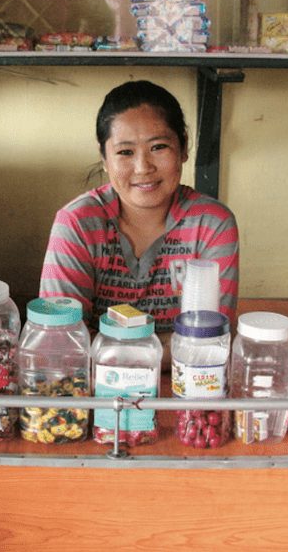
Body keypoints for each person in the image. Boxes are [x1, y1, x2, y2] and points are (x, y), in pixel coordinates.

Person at [39, 80, 239, 355]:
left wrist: (109, 347)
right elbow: (62, 339)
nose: (143, 167)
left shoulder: (212, 224)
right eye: (125, 152)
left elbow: (211, 341)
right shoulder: (77, 223)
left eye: (158, 147)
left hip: (191, 382)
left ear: (183, 147)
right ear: (105, 158)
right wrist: (176, 347)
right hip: (99, 384)